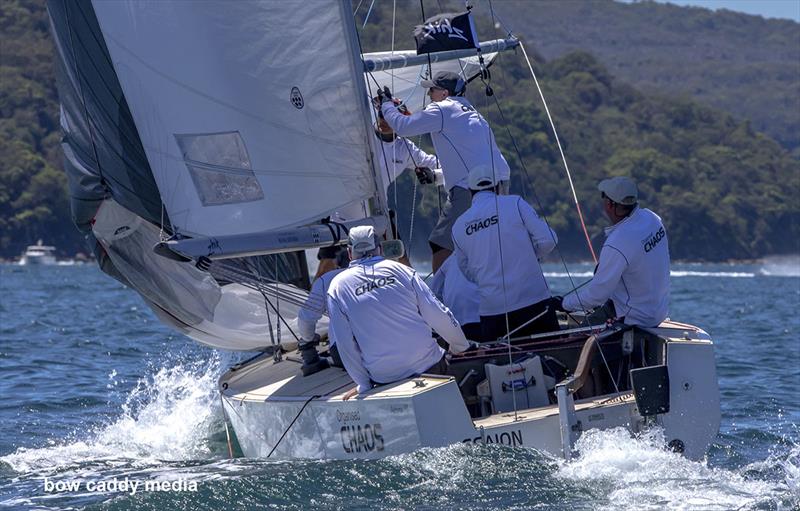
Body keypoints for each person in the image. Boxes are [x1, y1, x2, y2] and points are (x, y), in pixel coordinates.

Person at [379, 71, 511, 273]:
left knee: (441, 243)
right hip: (500, 185)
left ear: (444, 93)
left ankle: (442, 298)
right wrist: (436, 176)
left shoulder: (441, 109)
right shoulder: (472, 113)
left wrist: (386, 104)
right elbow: (470, 161)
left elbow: (403, 127)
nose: (429, 94)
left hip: (471, 190)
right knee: (478, 243)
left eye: (432, 89)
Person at [326, 225, 470, 400]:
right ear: (379, 248)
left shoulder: (337, 287)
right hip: (430, 368)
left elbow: (344, 344)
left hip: (385, 380)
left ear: (349, 253)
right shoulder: (402, 270)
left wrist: (363, 384)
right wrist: (460, 346)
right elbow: (437, 312)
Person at [452, 165, 559, 342]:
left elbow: (467, 270)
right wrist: (529, 256)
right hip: (533, 302)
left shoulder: (458, 226)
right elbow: (549, 240)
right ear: (499, 186)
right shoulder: (514, 203)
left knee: (499, 367)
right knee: (552, 360)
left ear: (470, 191)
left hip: (492, 313)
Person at [555, 176, 670, 327]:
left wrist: (562, 303)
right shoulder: (653, 218)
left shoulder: (617, 242)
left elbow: (595, 297)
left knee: (572, 337)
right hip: (658, 313)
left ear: (609, 204)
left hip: (634, 319)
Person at [297, 249, 349, 376]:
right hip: (388, 343)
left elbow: (306, 319)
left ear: (337, 263)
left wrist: (308, 340)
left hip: (344, 355)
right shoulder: (388, 270)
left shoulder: (327, 280)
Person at [429, 254, 481, 340]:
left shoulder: (452, 258)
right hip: (484, 318)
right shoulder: (490, 256)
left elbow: (434, 291)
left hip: (455, 323)